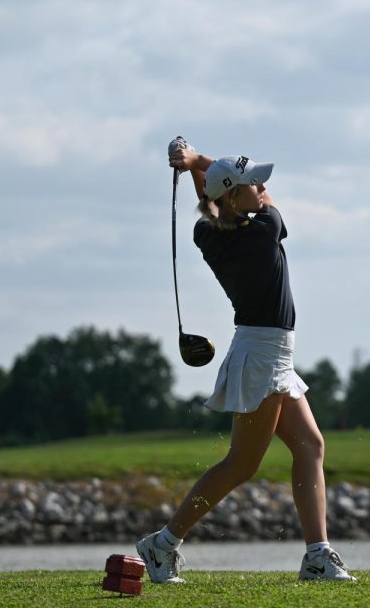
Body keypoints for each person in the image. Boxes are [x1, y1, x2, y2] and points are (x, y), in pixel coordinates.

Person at [135, 138, 355, 584]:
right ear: (235, 196)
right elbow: (225, 196)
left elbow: (211, 203)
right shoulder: (264, 226)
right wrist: (197, 160)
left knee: (310, 447)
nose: (262, 189)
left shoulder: (210, 235)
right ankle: (163, 545)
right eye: (253, 183)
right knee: (241, 463)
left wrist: (198, 166)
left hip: (268, 353)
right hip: (261, 355)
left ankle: (317, 554)